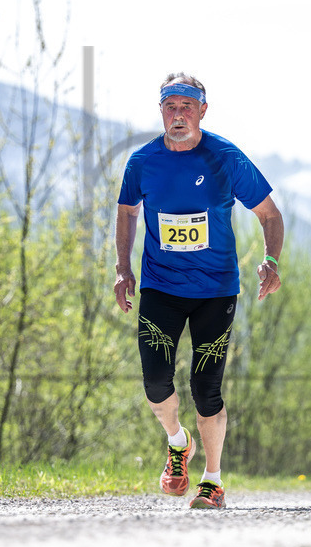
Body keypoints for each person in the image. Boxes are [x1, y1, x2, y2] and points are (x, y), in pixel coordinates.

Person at [114, 73, 284, 509]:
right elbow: (127, 212)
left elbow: (269, 214)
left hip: (215, 290)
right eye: (170, 107)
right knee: (156, 382)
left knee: (206, 388)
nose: (178, 115)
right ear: (160, 111)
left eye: (187, 107)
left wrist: (272, 260)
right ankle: (178, 442)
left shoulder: (225, 158)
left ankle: (213, 480)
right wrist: (122, 268)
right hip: (160, 286)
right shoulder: (142, 162)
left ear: (203, 111)